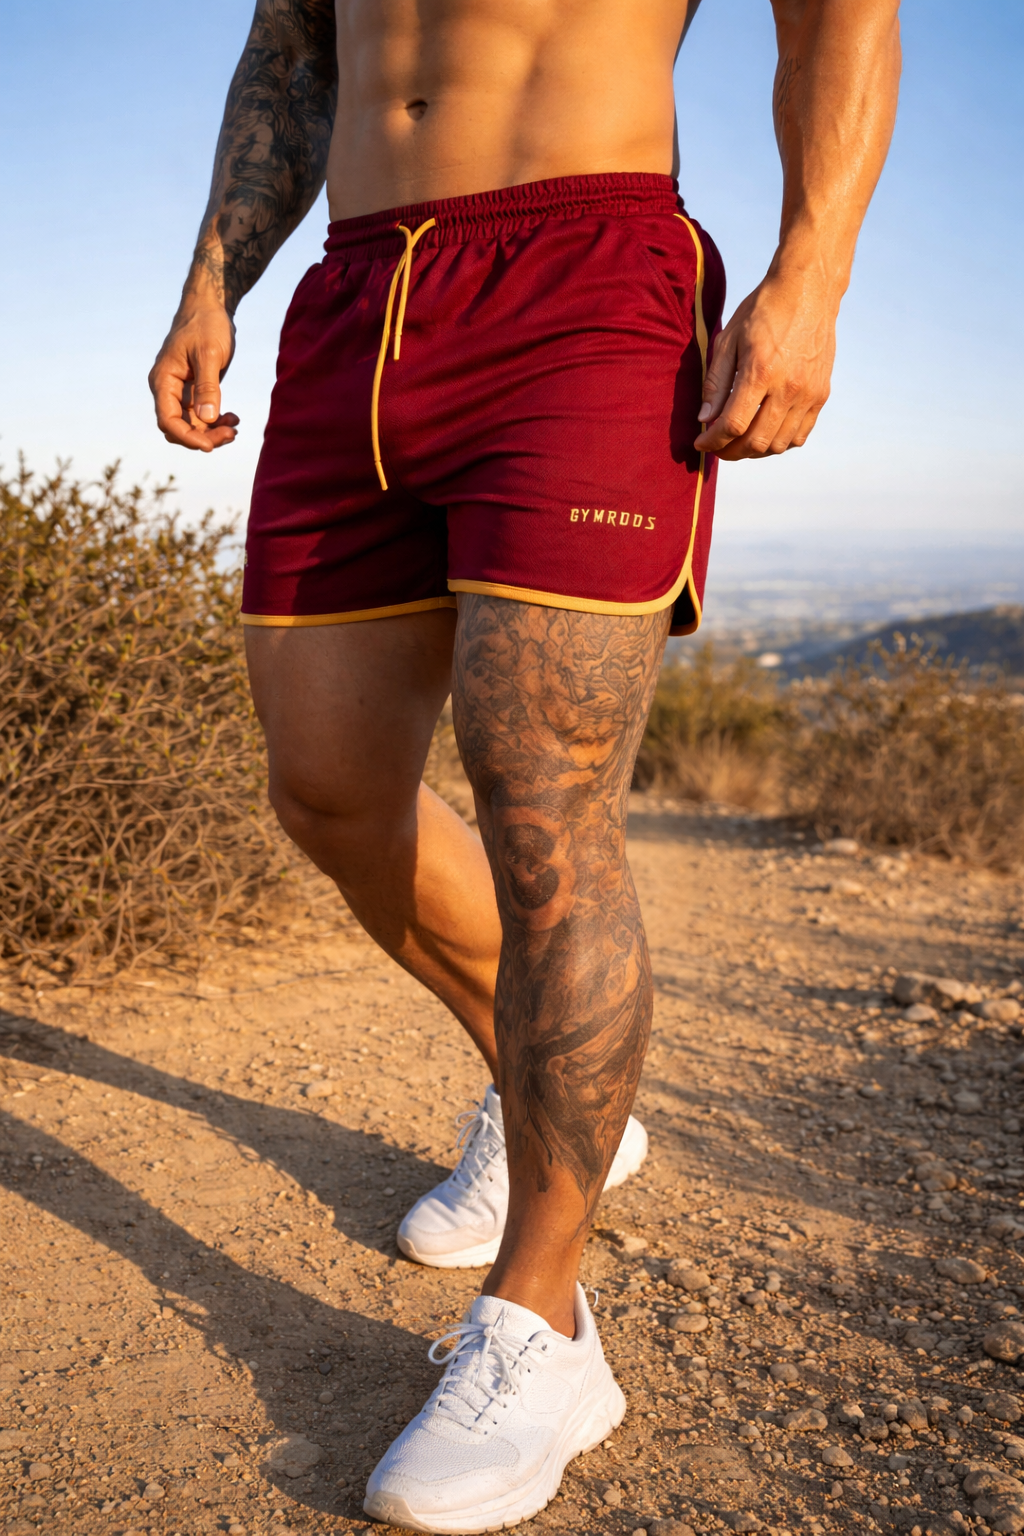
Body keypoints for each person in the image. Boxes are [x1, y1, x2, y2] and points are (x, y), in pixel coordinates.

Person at [149, 0, 900, 1526]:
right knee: (328, 786)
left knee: (544, 804)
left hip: (584, 275)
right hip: (357, 298)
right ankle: (546, 1088)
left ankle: (542, 1328)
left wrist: (812, 271)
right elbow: (293, 49)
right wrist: (212, 279)